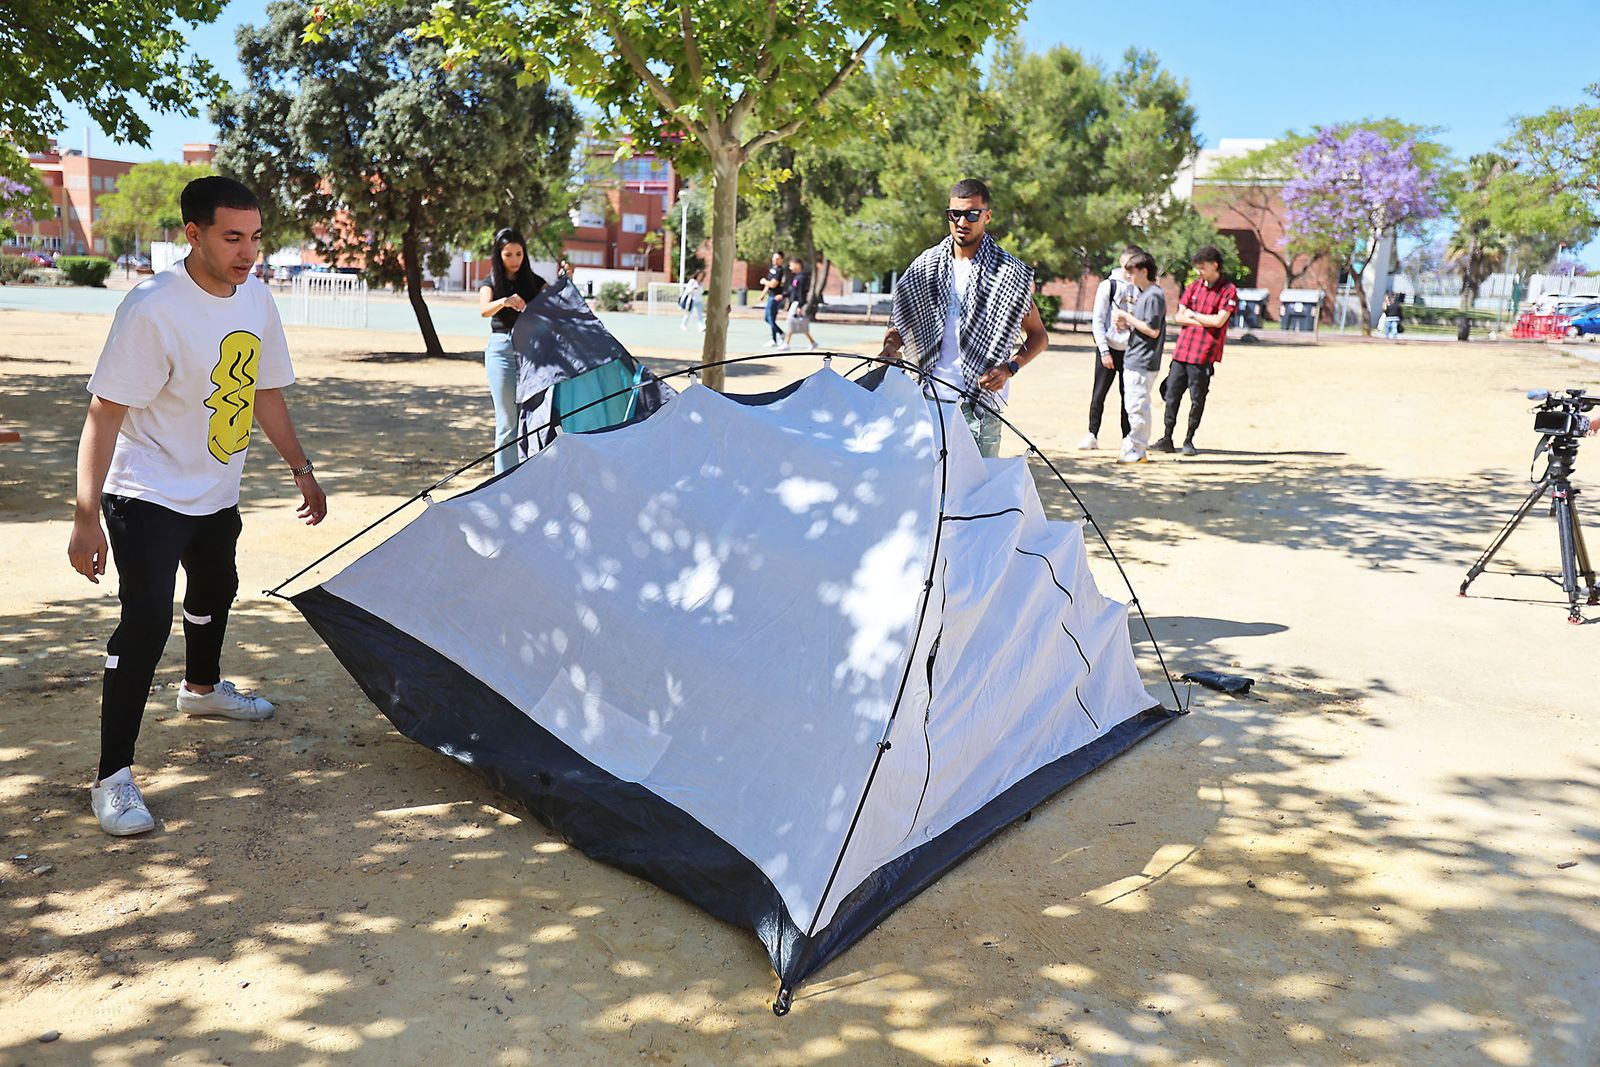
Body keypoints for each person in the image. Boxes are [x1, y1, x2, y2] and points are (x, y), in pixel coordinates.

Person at [67, 175, 328, 837]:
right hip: (147, 491)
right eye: (232, 237)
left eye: (256, 237)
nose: (248, 252)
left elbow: (265, 390)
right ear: (195, 234)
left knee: (218, 584)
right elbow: (105, 412)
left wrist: (301, 467)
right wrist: (85, 512)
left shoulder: (258, 298)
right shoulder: (153, 307)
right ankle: (112, 777)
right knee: (146, 622)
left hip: (216, 487)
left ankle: (203, 691)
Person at [880, 178, 1049, 458]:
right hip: (927, 399)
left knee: (975, 497)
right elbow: (899, 322)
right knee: (925, 493)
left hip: (979, 408)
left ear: (987, 216)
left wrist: (1010, 368)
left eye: (972, 214)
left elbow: (1039, 336)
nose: (962, 221)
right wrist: (890, 347)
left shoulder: (1008, 273)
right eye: (955, 214)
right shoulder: (926, 265)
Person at [1156, 245, 1238, 457]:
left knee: (1197, 398)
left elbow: (1220, 321)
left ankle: (1189, 439)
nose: (1199, 272)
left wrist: (1194, 316)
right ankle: (1167, 437)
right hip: (1182, 351)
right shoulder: (1193, 287)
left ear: (1215, 266)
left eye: (1202, 268)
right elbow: (1179, 316)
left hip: (1204, 354)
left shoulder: (1228, 290)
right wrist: (1203, 319)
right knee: (1171, 394)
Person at [479, 228, 549, 474]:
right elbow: (484, 309)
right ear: (499, 255)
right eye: (508, 254)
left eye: (519, 253)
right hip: (501, 351)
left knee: (534, 416)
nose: (514, 259)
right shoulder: (491, 283)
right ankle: (504, 478)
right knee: (508, 420)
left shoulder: (535, 282)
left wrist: (566, 279)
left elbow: (556, 302)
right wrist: (505, 301)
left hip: (531, 352)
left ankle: (531, 473)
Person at [1081, 245, 1142, 450]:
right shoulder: (1109, 285)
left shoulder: (1141, 287)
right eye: (1128, 261)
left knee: (1129, 395)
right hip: (1109, 347)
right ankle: (1092, 433)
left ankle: (1127, 436)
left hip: (1130, 350)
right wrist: (1104, 350)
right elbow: (1098, 320)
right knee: (1099, 393)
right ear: (1122, 260)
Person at [1111, 250, 1166, 463]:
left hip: (1143, 360)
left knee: (1137, 406)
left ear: (1144, 271)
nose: (1129, 278)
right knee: (1132, 404)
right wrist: (1127, 323)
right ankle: (1132, 445)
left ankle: (1138, 448)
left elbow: (1153, 330)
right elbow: (1143, 326)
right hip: (1135, 357)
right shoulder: (1145, 294)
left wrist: (1127, 317)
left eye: (1132, 273)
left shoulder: (1154, 295)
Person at [782, 257, 818, 350]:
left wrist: (800, 305)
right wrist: (783, 295)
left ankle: (786, 343)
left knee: (790, 321)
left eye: (791, 265)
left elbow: (802, 293)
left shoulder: (802, 278)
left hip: (797, 303)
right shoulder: (796, 277)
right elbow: (792, 290)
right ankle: (812, 342)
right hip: (795, 302)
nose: (790, 268)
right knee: (799, 324)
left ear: (797, 265)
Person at [759, 251, 789, 348]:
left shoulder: (780, 270)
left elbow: (773, 284)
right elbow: (769, 284)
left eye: (777, 259)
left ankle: (777, 337)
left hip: (775, 297)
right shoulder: (773, 269)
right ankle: (778, 336)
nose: (774, 260)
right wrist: (763, 294)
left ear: (781, 260)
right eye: (773, 258)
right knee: (767, 318)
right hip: (770, 296)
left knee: (771, 318)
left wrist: (764, 281)